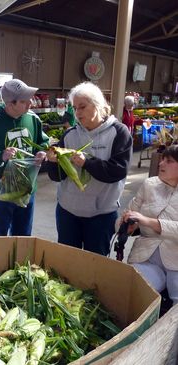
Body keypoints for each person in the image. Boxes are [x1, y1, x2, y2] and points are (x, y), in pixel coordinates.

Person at [46, 81, 132, 256]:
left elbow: (117, 171)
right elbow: (57, 177)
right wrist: (53, 162)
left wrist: (87, 163)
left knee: (95, 264)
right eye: (75, 108)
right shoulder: (70, 135)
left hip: (101, 215)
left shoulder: (119, 133)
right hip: (68, 212)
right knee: (68, 260)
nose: (77, 113)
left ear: (98, 104)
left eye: (82, 107)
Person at [0, 79, 49, 236]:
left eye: (30, 99)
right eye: (24, 101)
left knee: (23, 236)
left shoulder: (33, 119)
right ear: (10, 103)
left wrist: (43, 152)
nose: (30, 104)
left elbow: (43, 142)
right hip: (0, 194)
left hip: (27, 190)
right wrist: (1, 155)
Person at [121, 144, 178, 305]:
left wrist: (148, 222)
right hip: (147, 256)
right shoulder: (150, 185)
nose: (161, 164)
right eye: (162, 160)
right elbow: (128, 214)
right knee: (129, 293)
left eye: (169, 161)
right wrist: (128, 227)